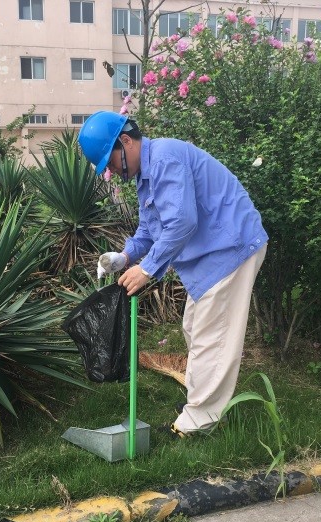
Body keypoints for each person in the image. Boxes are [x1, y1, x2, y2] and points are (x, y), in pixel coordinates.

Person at [78, 110, 268, 438]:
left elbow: (182, 222)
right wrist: (124, 256)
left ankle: (197, 424)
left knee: (212, 336)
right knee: (194, 327)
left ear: (126, 142)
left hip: (231, 247)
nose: (112, 171)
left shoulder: (165, 158)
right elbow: (150, 229)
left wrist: (146, 269)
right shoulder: (146, 175)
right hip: (212, 253)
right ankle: (201, 401)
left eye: (110, 162)